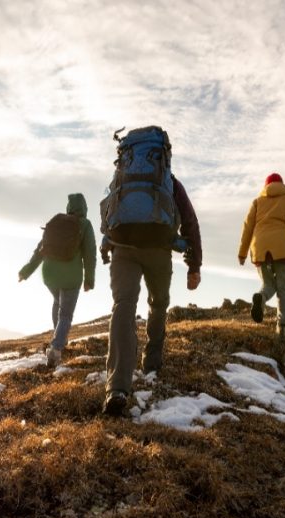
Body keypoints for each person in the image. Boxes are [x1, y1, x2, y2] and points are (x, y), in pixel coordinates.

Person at [100, 128, 202, 416]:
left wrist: (106, 246)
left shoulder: (121, 179)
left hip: (123, 247)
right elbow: (190, 223)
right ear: (164, 156)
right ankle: (152, 361)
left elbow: (107, 212)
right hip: (159, 250)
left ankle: (117, 387)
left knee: (123, 306)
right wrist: (194, 267)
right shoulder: (170, 183)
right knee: (158, 303)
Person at [19, 193, 97, 367]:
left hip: (49, 275)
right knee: (66, 314)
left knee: (57, 302)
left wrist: (26, 271)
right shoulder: (84, 225)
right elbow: (90, 254)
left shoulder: (57, 222)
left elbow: (40, 249)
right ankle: (56, 348)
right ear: (84, 208)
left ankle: (58, 338)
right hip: (71, 277)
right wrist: (90, 279)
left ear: (69, 207)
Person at [237, 172, 285, 340]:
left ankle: (261, 298)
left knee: (267, 284)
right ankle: (282, 327)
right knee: (283, 287)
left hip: (260, 249)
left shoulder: (257, 202)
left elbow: (247, 228)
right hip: (282, 249)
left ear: (266, 186)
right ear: (282, 184)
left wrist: (242, 253)